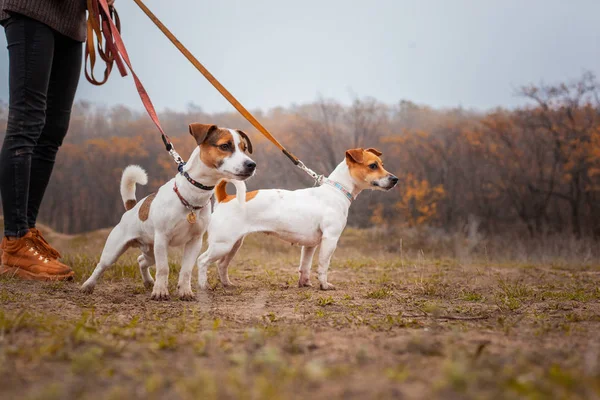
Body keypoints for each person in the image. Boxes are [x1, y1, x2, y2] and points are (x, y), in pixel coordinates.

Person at [0, 0, 115, 280]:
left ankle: (27, 234)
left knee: (52, 131)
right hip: (32, 10)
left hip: (71, 23)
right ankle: (14, 241)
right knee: (27, 122)